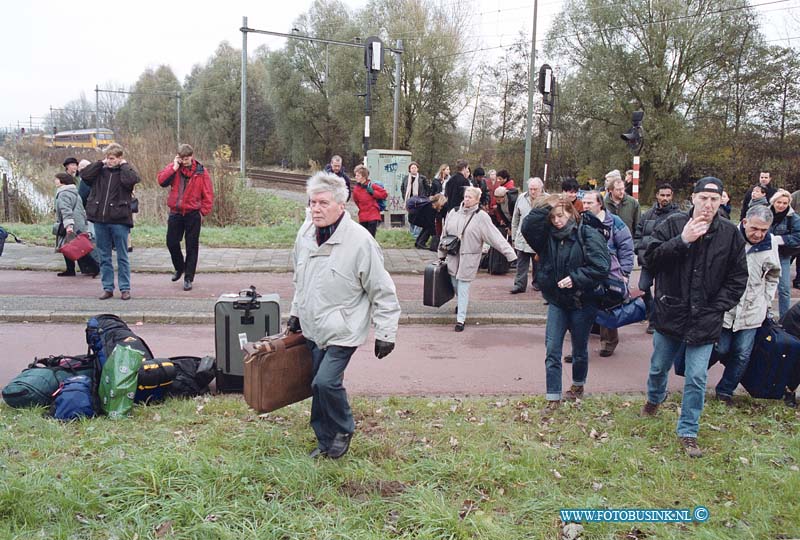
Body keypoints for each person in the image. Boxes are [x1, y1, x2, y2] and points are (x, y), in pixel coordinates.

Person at [287, 171, 400, 459]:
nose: (316, 209)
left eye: (323, 203)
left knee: (325, 382)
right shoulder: (305, 234)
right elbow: (301, 280)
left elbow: (382, 290)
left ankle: (343, 428)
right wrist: (295, 313)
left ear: (341, 205)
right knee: (316, 384)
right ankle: (324, 441)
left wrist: (386, 333)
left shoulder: (360, 242)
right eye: (312, 203)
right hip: (314, 327)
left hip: (344, 330)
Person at [641, 177, 747, 458]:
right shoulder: (673, 224)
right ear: (694, 198)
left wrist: (717, 307)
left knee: (697, 377)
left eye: (715, 199)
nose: (709, 205)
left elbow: (738, 278)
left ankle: (688, 430)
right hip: (671, 311)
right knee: (658, 366)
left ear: (722, 200)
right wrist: (682, 241)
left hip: (706, 317)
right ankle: (654, 399)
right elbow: (650, 259)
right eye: (704, 199)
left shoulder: (730, 233)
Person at [521, 193, 610, 409]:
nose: (557, 221)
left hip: (582, 302)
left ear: (571, 213)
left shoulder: (587, 233)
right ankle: (553, 397)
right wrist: (548, 205)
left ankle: (578, 385)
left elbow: (601, 267)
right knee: (552, 349)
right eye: (553, 218)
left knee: (579, 350)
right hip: (557, 301)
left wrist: (576, 278)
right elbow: (527, 227)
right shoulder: (547, 237)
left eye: (561, 216)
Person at [714, 205, 780, 406]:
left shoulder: (771, 244)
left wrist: (766, 300)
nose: (759, 234)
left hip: (752, 309)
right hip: (726, 308)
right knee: (722, 348)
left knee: (743, 353)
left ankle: (725, 391)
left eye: (764, 230)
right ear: (744, 222)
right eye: (754, 229)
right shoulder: (728, 238)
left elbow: (774, 275)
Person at [439, 186, 516, 331]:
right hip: (453, 255)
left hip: (469, 257)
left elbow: (495, 237)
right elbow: (444, 234)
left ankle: (460, 320)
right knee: (454, 284)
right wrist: (441, 254)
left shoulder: (481, 217)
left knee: (463, 287)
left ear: (477, 199)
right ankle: (462, 303)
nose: (466, 199)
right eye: (465, 196)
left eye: (470, 197)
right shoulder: (453, 212)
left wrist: (510, 254)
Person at [80, 143, 140, 300]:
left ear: (119, 158)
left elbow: (132, 180)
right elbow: (85, 175)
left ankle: (125, 288)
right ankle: (107, 287)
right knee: (104, 255)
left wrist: (124, 165)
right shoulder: (100, 171)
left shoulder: (125, 172)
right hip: (100, 219)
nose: (109, 161)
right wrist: (100, 162)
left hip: (119, 220)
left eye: (112, 158)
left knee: (122, 256)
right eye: (107, 157)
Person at [581, 190, 634, 357]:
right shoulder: (582, 221)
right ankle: (579, 348)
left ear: (600, 204)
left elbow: (626, 247)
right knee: (582, 310)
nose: (586, 206)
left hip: (611, 273)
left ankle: (609, 343)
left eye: (590, 203)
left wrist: (624, 273)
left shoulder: (615, 223)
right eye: (584, 203)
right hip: (588, 271)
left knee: (608, 308)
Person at [157, 144, 215, 291]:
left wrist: (203, 212)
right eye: (182, 158)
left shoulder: (201, 172)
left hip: (193, 213)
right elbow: (161, 181)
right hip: (176, 212)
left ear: (192, 156)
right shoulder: (174, 169)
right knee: (171, 242)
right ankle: (179, 267)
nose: (185, 161)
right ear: (179, 158)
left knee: (191, 247)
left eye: (187, 158)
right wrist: (174, 167)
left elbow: (208, 194)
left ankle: (188, 277)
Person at [634, 183, 680, 333]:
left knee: (663, 292)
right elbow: (638, 234)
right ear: (657, 195)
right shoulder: (647, 215)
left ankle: (655, 321)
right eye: (662, 195)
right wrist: (639, 248)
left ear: (672, 196)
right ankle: (650, 312)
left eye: (668, 195)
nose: (665, 198)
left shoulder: (678, 216)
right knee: (643, 287)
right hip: (648, 260)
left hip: (666, 261)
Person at [53, 172, 99, 278]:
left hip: (71, 224)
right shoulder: (74, 191)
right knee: (70, 246)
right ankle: (71, 269)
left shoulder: (64, 193)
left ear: (62, 181)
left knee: (74, 247)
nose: (55, 181)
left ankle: (94, 266)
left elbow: (66, 210)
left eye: (57, 179)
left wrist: (68, 225)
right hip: (79, 223)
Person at [768, 189, 800, 318]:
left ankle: (784, 318)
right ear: (773, 202)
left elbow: (798, 235)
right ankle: (763, 315)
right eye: (779, 202)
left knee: (784, 289)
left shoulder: (793, 218)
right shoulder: (764, 213)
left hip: (782, 255)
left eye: (785, 203)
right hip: (764, 253)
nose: (781, 205)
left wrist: (780, 240)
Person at [510, 177, 545, 294]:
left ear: (541, 189)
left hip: (540, 238)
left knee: (539, 264)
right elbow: (515, 218)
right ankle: (519, 284)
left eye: (535, 189)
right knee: (521, 264)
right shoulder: (521, 198)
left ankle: (538, 283)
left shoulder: (547, 199)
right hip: (522, 238)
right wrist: (514, 236)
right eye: (531, 189)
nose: (533, 192)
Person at [402, 161, 437, 240]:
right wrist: (405, 197)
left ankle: (416, 235)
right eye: (412, 168)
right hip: (410, 202)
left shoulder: (422, 178)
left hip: (420, 202)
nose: (413, 169)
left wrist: (425, 198)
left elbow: (428, 188)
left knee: (418, 217)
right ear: (409, 169)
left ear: (417, 169)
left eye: (415, 167)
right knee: (410, 217)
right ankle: (411, 233)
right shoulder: (406, 178)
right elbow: (403, 188)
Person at [351, 164, 387, 238]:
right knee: (363, 238)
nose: (356, 177)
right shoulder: (356, 190)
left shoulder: (372, 186)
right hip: (363, 216)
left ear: (364, 177)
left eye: (358, 175)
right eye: (356, 175)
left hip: (373, 214)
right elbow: (357, 202)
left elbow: (384, 194)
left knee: (371, 238)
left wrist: (373, 193)